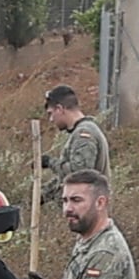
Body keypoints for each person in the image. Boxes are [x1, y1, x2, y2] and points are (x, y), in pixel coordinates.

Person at [37, 84, 110, 221]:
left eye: (51, 114)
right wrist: (44, 194)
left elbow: (78, 174)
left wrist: (50, 162)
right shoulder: (81, 131)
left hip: (87, 214)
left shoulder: (84, 134)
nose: (51, 120)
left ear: (60, 109)